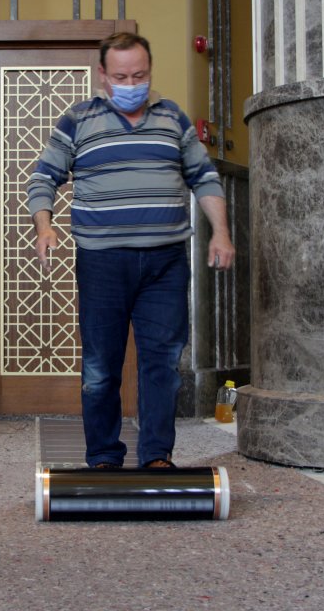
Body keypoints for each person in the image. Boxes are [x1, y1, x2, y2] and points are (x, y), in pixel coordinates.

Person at [26, 32, 235, 469]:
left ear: (149, 70)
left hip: (166, 262)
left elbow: (205, 176)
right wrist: (44, 228)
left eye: (139, 74)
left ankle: (157, 456)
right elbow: (44, 177)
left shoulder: (172, 117)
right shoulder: (78, 120)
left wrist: (221, 233)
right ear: (103, 75)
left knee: (162, 364)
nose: (130, 82)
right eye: (120, 75)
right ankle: (103, 457)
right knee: (101, 367)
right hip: (103, 263)